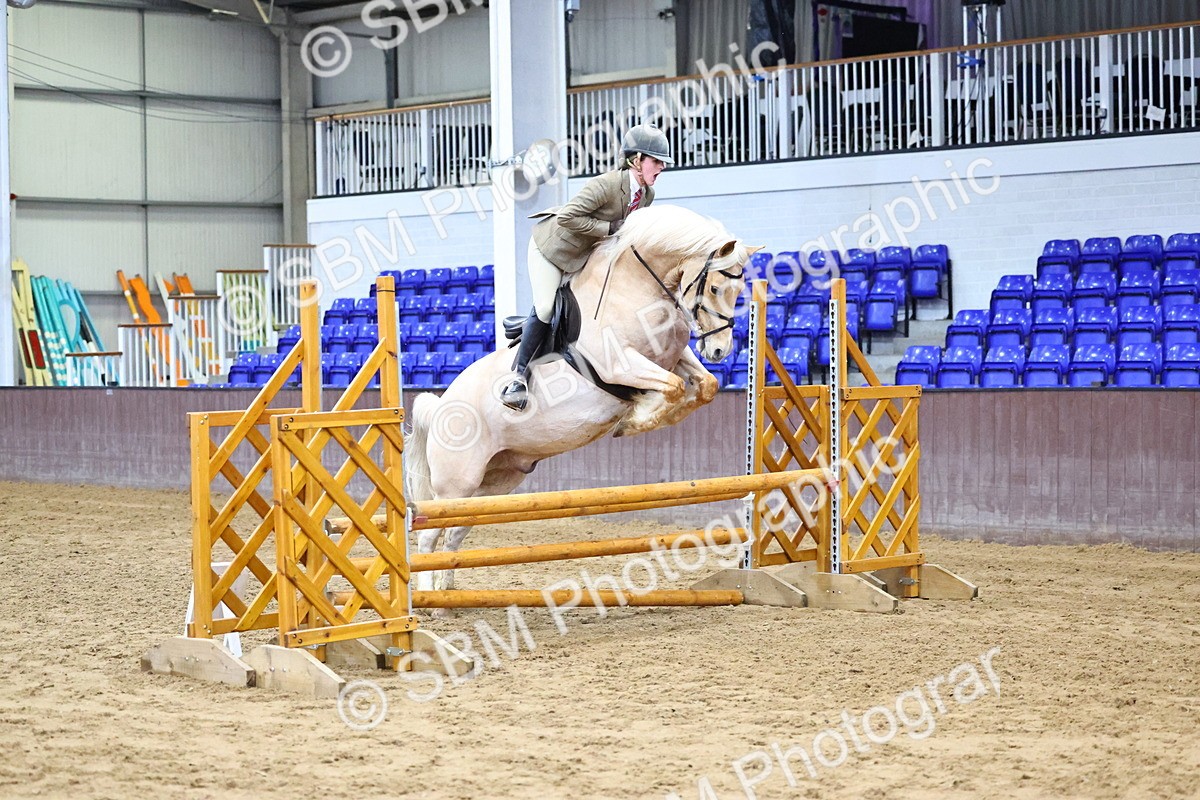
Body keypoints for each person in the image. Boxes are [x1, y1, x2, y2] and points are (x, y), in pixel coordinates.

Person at [499, 123, 674, 411]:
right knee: (545, 306)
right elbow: (568, 217)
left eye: (662, 162)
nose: (661, 167)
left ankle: (531, 327)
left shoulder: (647, 195)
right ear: (636, 160)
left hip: (585, 255)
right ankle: (517, 379)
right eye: (656, 161)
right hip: (553, 249)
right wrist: (609, 227)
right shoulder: (606, 184)